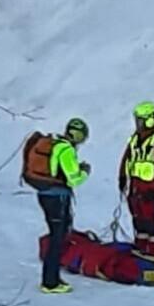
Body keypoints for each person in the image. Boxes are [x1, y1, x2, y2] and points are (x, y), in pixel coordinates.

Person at [35, 118, 91, 294]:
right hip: (57, 197)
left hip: (45, 193)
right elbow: (73, 178)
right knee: (57, 238)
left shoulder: (57, 144)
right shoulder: (66, 149)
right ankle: (50, 281)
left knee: (56, 235)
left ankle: (52, 277)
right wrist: (85, 171)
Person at [118, 101, 154, 262]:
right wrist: (122, 177)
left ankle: (153, 251)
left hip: (148, 187)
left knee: (149, 220)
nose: (138, 124)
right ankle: (140, 247)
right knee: (137, 217)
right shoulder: (135, 138)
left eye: (141, 120)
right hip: (134, 185)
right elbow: (127, 158)